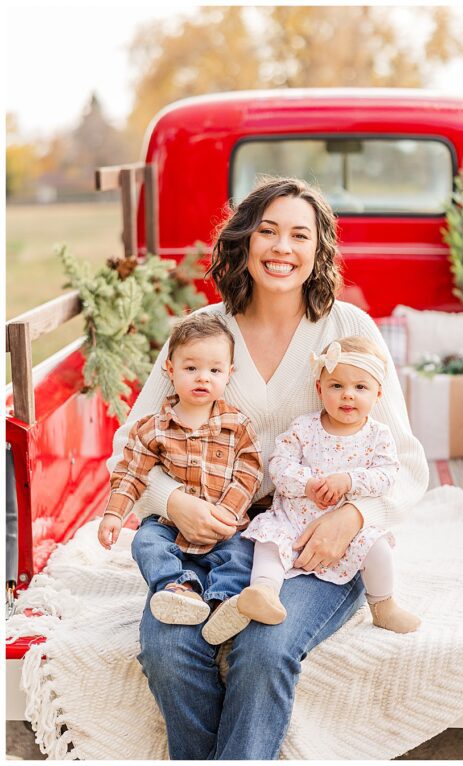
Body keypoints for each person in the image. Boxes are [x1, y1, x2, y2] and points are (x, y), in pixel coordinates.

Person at [106, 177, 428, 759]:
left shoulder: (348, 329)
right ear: (244, 242)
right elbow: (130, 444)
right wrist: (173, 503)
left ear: (319, 249)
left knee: (263, 647)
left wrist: (353, 517)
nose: (282, 248)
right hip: (207, 533)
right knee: (168, 646)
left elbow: (402, 462)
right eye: (268, 231)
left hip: (309, 533)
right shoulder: (203, 332)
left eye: (299, 235)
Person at [98, 313, 262, 646]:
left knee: (244, 553)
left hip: (223, 527)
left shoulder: (238, 425)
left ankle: (223, 604)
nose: (203, 378)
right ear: (170, 370)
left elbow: (250, 470)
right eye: (191, 369)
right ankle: (177, 589)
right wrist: (114, 513)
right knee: (145, 541)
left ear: (229, 374)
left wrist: (228, 513)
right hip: (170, 525)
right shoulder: (153, 428)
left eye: (214, 370)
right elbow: (131, 471)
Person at [238, 335, 420, 635]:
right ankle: (264, 591)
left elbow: (387, 475)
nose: (348, 395)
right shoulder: (304, 427)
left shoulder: (378, 436)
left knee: (377, 549)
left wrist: (349, 480)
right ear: (320, 389)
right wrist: (307, 484)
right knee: (268, 541)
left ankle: (383, 605)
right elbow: (279, 464)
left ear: (377, 394)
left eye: (360, 387)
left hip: (347, 529)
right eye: (337, 386)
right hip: (293, 520)